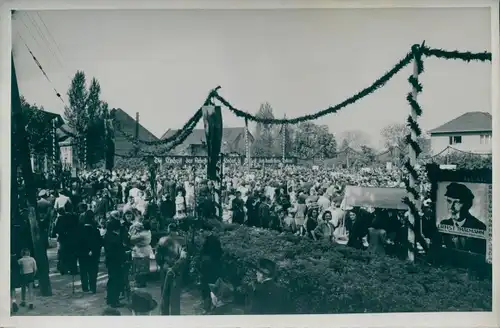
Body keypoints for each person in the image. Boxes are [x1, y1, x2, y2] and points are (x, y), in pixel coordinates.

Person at [439, 182, 487, 254]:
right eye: (449, 201)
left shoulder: (479, 227)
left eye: (457, 202)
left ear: (467, 204)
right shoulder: (444, 224)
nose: (451, 207)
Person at [156, 224, 188, 315]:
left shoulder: (162, 240)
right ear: (177, 230)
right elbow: (184, 257)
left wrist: (162, 264)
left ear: (168, 229)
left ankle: (164, 315)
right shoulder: (182, 240)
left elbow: (158, 255)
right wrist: (175, 267)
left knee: (165, 292)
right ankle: (175, 317)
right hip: (176, 270)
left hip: (165, 268)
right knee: (175, 296)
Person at [77, 210, 102, 293]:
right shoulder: (96, 230)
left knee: (83, 270)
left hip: (82, 253)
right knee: (93, 271)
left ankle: (85, 287)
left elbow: (77, 242)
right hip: (93, 253)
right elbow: (99, 243)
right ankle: (93, 287)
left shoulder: (80, 229)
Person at [104, 219, 127, 308]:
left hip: (110, 261)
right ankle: (115, 301)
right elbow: (119, 251)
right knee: (117, 281)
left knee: (111, 280)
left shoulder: (107, 235)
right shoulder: (116, 238)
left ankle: (110, 299)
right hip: (117, 262)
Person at [199, 235, 224, 313]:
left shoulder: (205, 251)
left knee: (206, 289)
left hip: (206, 271)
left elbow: (201, 254)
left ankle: (206, 308)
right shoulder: (217, 246)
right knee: (215, 289)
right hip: (216, 270)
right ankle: (214, 306)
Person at [130, 221, 153, 288]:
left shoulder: (142, 234)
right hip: (145, 250)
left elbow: (131, 239)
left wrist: (133, 230)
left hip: (141, 251)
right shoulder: (148, 232)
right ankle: (141, 281)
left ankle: (140, 282)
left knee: (140, 267)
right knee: (143, 267)